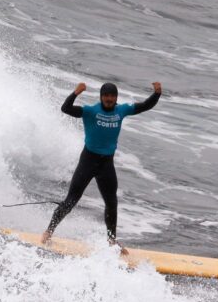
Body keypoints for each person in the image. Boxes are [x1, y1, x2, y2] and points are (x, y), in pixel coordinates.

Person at [41, 81, 162, 250]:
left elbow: (145, 106)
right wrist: (75, 93)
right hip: (88, 161)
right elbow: (66, 109)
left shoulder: (122, 110)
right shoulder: (91, 112)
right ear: (101, 96)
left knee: (111, 203)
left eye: (112, 96)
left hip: (106, 164)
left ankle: (111, 241)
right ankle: (48, 231)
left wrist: (157, 93)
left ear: (116, 97)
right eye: (106, 95)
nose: (109, 99)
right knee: (71, 200)